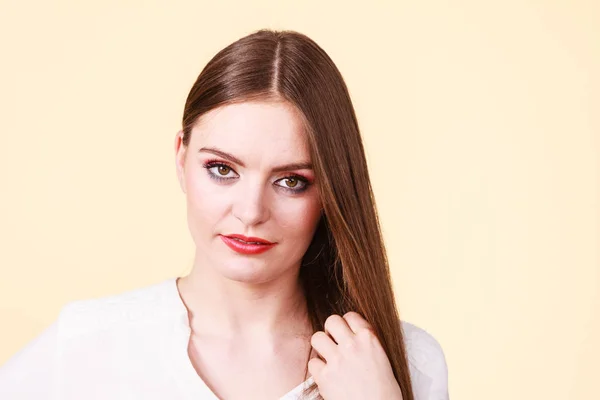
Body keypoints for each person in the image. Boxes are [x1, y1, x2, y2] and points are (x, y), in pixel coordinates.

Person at [0, 29, 449, 400]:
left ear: (332, 189)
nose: (251, 212)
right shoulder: (87, 346)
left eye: (292, 180)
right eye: (222, 169)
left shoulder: (406, 363)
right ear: (181, 158)